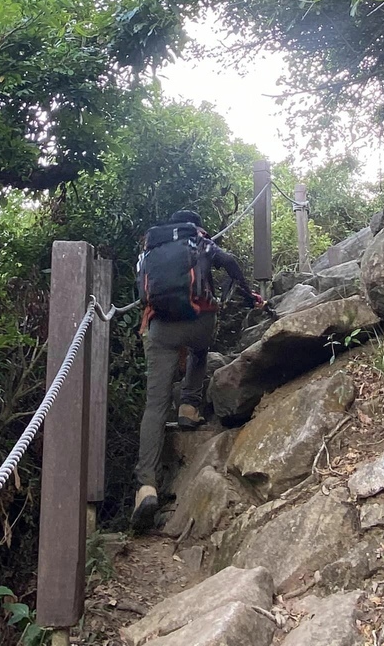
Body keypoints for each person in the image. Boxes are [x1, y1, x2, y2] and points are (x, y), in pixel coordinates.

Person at [132, 209, 263, 532]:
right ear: (197, 225)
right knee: (199, 349)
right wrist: (248, 293)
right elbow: (230, 261)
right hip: (199, 324)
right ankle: (189, 405)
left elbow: (142, 291)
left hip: (161, 328)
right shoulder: (201, 242)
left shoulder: (153, 247)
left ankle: (146, 486)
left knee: (155, 406)